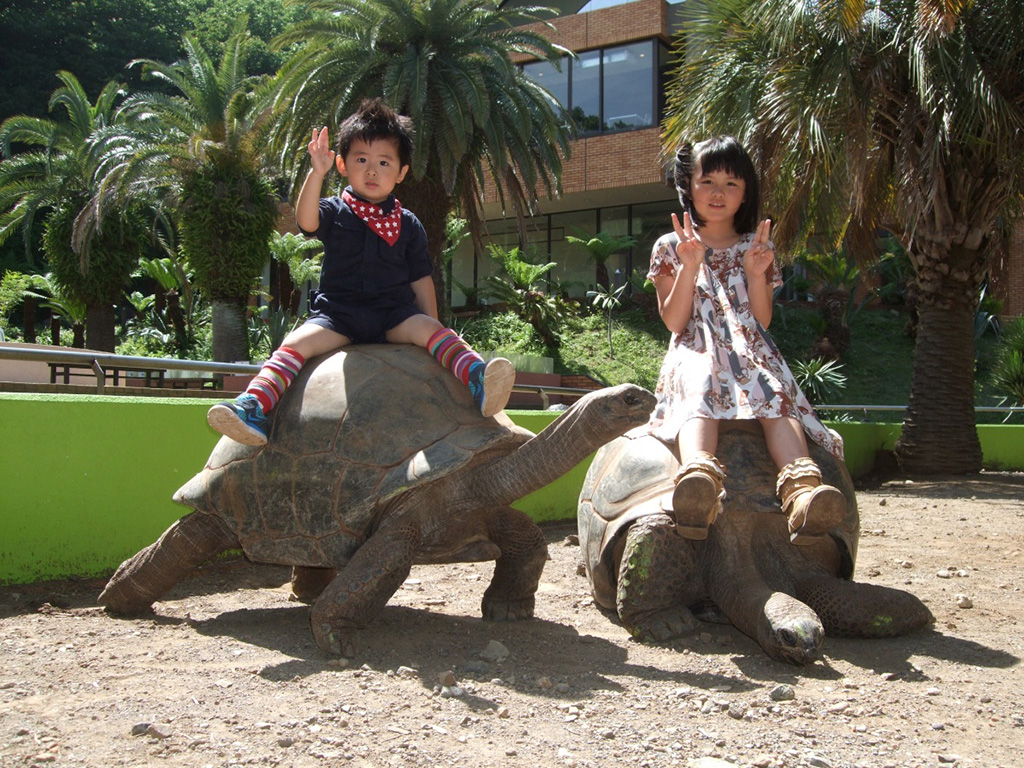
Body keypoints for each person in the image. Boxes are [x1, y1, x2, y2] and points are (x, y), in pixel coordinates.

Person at [208, 99, 514, 446]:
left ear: (400, 172)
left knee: (433, 329)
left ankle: (479, 379)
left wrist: (430, 332)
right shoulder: (336, 210)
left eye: (384, 162)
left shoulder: (408, 223)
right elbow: (306, 221)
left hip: (393, 315)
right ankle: (253, 407)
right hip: (338, 316)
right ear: (342, 164)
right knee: (293, 345)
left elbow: (420, 278)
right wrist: (316, 172)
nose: (372, 171)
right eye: (361, 160)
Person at [646, 136, 845, 545]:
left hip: (749, 350)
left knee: (772, 389)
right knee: (701, 379)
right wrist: (689, 266)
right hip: (695, 347)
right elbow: (674, 320)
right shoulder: (671, 246)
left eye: (731, 183)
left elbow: (762, 319)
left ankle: (801, 491)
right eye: (708, 181)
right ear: (689, 185)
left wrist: (757, 274)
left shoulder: (756, 246)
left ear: (745, 193)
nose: (718, 193)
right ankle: (698, 479)